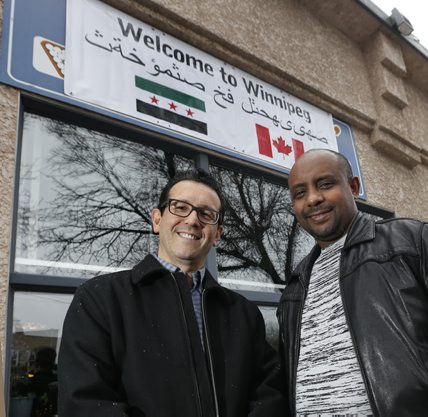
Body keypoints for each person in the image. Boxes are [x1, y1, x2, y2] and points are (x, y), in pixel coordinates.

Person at [278, 149, 428, 416]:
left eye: (325, 184)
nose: (313, 199)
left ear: (353, 186)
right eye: (300, 193)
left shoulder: (414, 241)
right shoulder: (295, 285)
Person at [59, 169, 287, 417]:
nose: (192, 220)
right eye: (180, 207)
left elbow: (269, 396)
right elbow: (85, 403)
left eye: (206, 213)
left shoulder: (244, 314)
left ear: (218, 234)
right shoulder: (100, 298)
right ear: (157, 220)